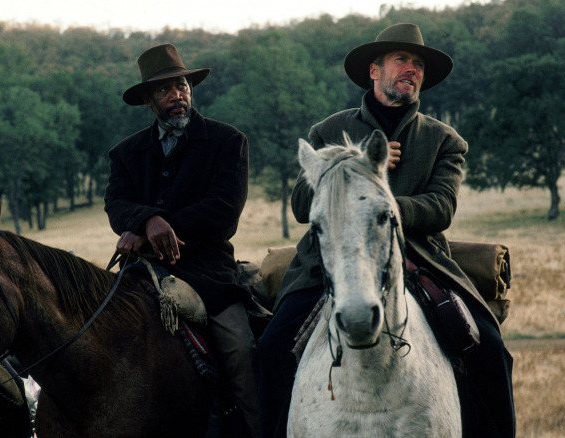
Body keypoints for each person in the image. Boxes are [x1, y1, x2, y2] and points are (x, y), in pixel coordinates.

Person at [254, 23, 516, 438]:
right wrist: (354, 166)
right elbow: (303, 207)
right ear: (374, 71)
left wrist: (381, 203)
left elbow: (441, 207)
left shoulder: (444, 139)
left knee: (490, 347)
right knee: (270, 350)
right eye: (401, 60)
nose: (411, 69)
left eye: (417, 64)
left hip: (419, 258)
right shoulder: (328, 132)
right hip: (333, 255)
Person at [104, 44, 257, 437]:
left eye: (182, 85)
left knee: (242, 353)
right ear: (148, 100)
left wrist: (155, 227)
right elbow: (115, 204)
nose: (177, 95)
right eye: (164, 90)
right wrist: (146, 219)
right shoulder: (126, 153)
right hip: (142, 275)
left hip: (210, 275)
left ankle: (260, 428)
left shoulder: (227, 141)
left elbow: (224, 212)